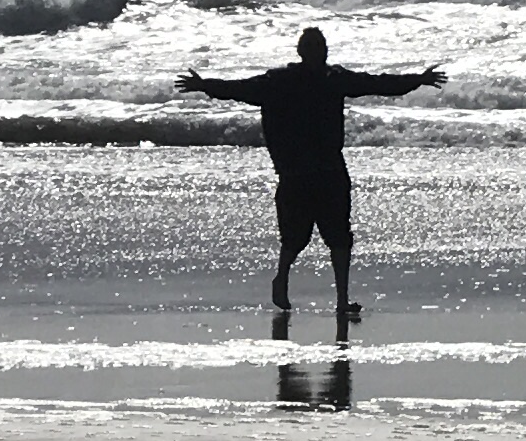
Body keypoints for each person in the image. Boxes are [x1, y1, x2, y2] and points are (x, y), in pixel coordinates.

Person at [175, 27, 445, 317]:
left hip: (321, 170)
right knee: (299, 237)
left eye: (323, 48)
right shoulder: (287, 81)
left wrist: (418, 80)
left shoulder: (322, 79)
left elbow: (376, 83)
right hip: (300, 172)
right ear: (305, 52)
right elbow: (239, 88)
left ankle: (340, 299)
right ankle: (285, 279)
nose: (322, 53)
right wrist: (205, 85)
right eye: (318, 48)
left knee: (336, 236)